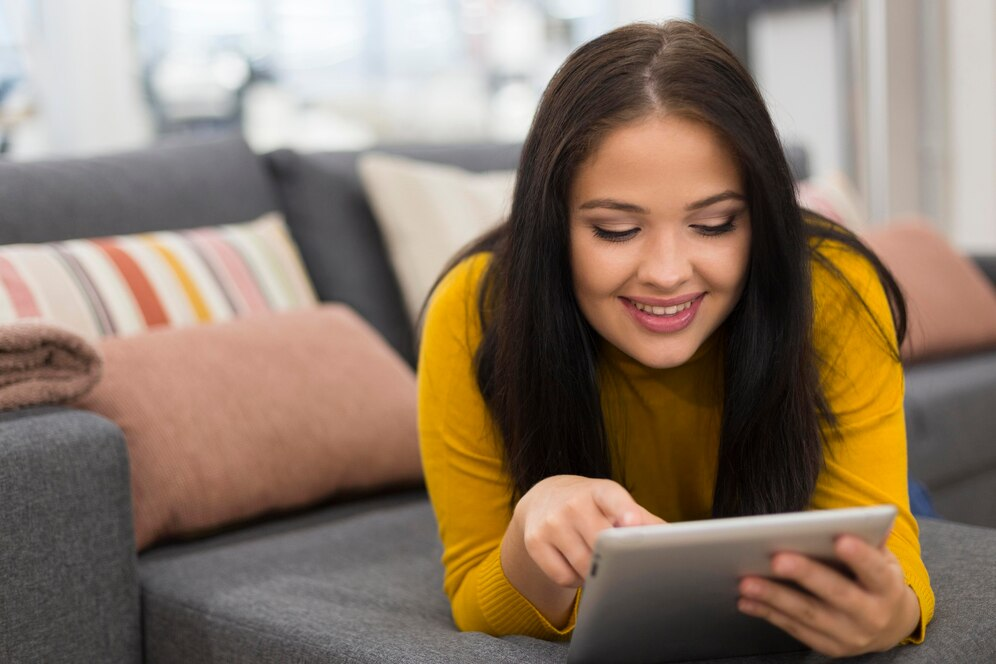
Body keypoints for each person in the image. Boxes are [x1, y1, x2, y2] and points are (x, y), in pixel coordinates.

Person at [417, 20, 933, 658]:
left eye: (714, 224)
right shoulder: (472, 313)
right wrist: (530, 532)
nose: (666, 273)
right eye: (614, 230)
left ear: (761, 218)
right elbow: (474, 594)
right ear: (552, 226)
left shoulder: (833, 291)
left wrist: (889, 612)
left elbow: (898, 576)